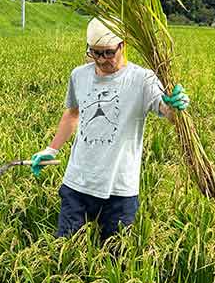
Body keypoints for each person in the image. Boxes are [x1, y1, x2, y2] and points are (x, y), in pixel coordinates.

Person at [31, 17, 190, 242]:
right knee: (65, 253)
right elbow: (73, 113)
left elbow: (167, 112)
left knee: (115, 261)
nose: (101, 60)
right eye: (95, 53)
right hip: (77, 183)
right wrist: (52, 149)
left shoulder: (143, 79)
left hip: (119, 189)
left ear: (122, 45)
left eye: (107, 53)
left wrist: (175, 106)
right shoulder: (79, 75)